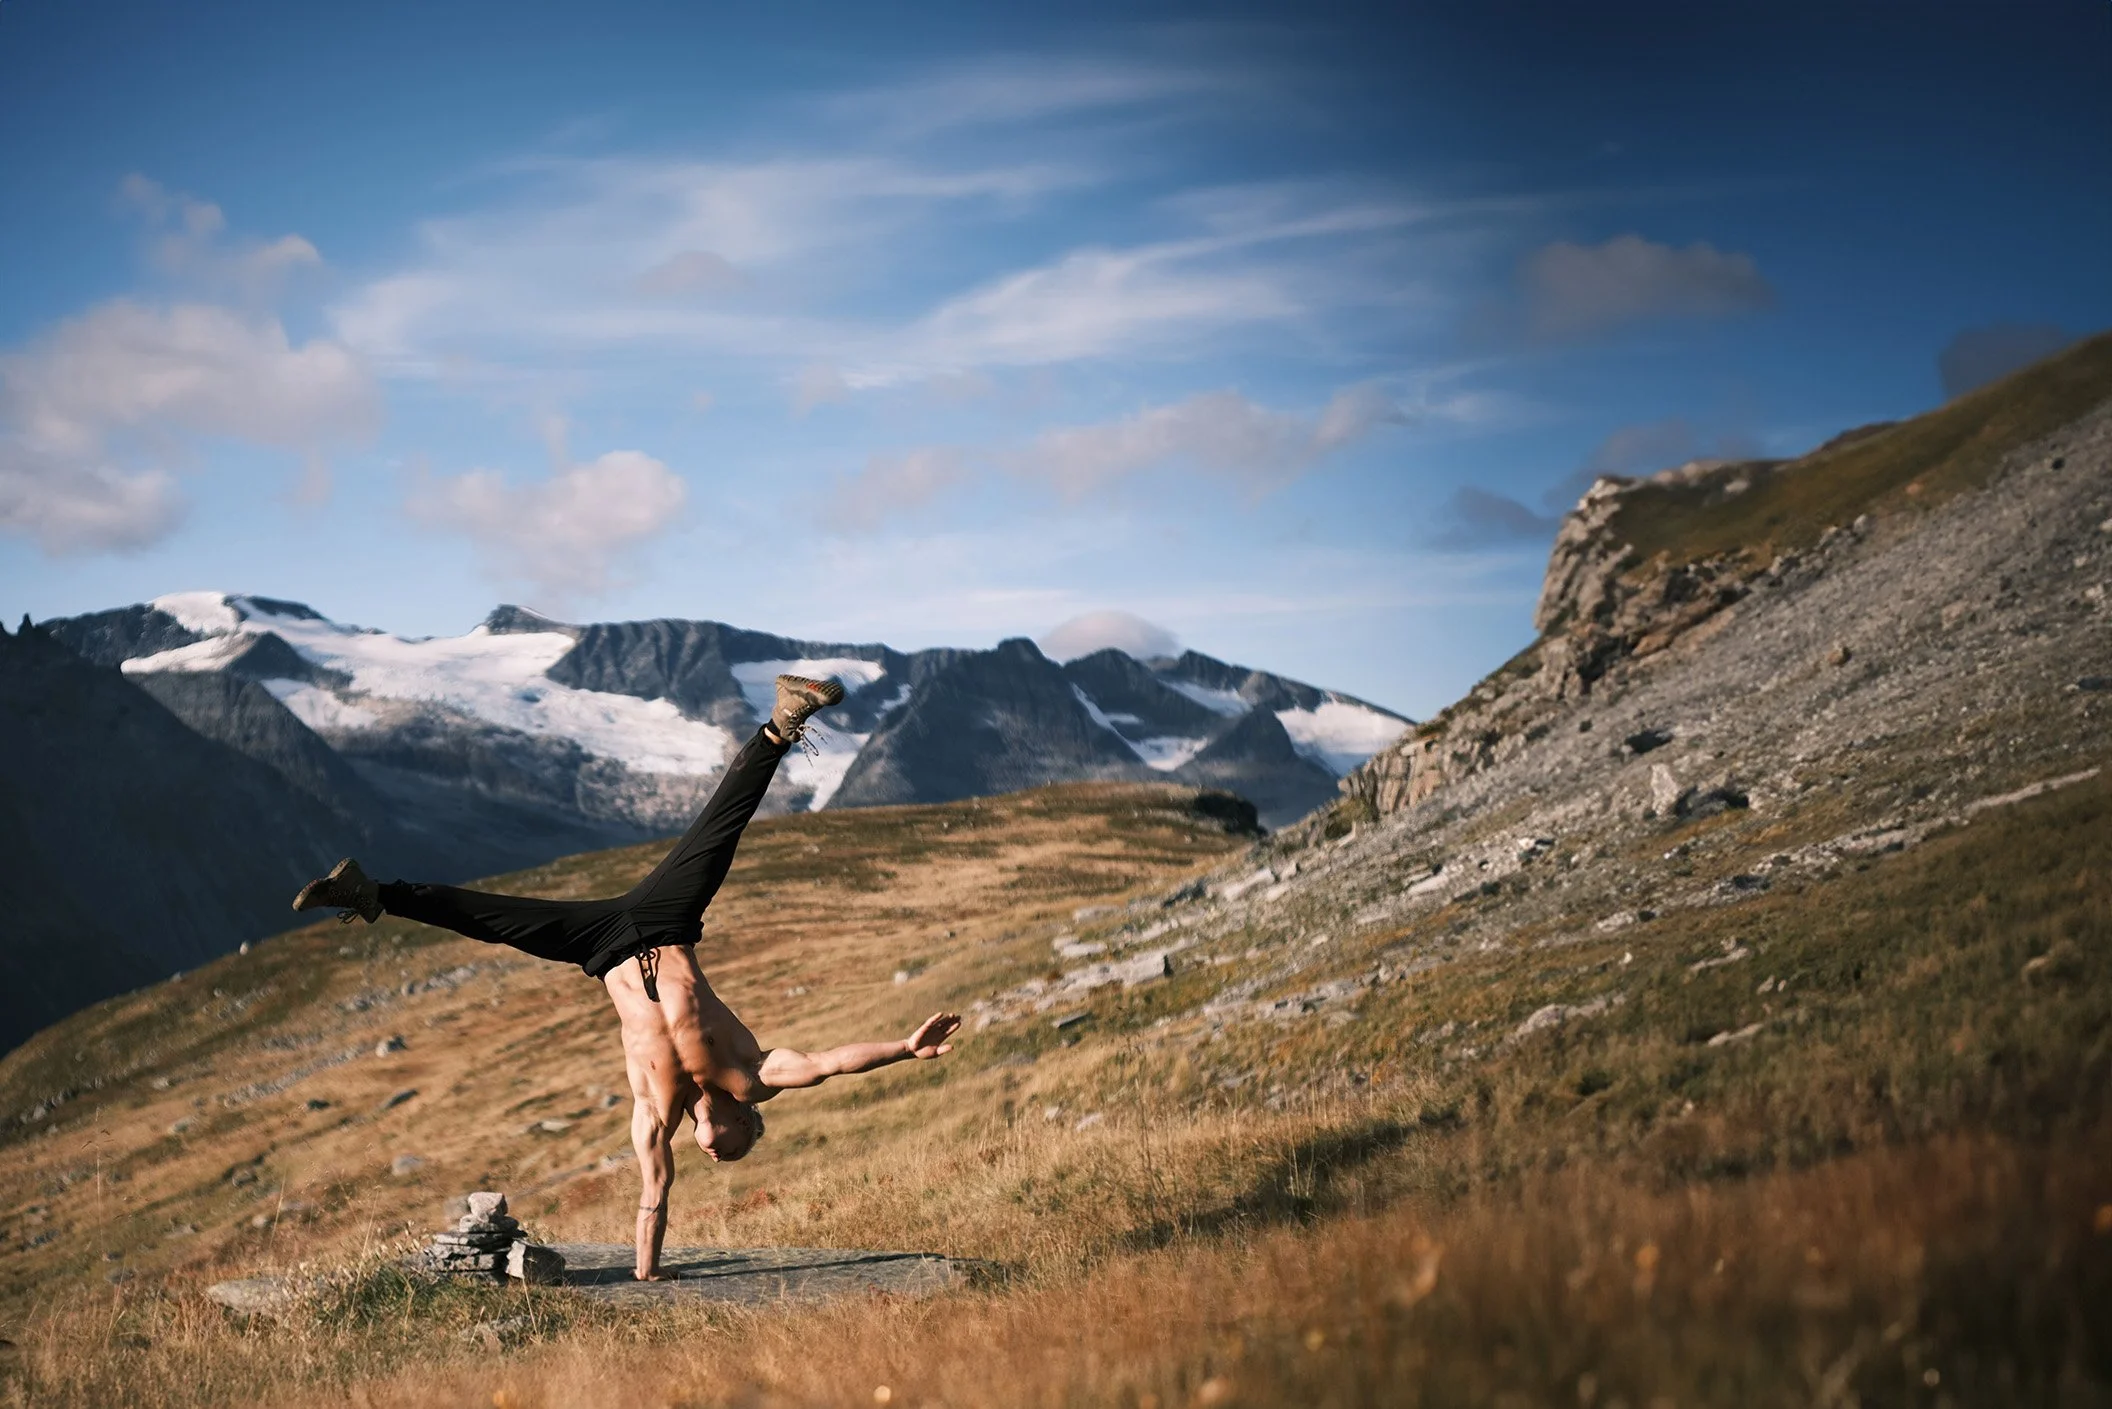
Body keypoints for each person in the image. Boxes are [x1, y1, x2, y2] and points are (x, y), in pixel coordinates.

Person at [291, 674, 962, 1282]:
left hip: (603, 947)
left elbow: (653, 1196)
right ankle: (784, 720)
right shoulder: (752, 1076)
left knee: (487, 917)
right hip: (666, 922)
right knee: (717, 829)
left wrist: (647, 1272)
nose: (720, 1159)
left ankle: (367, 892)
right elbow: (828, 1063)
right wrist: (905, 1048)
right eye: (734, 1152)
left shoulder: (655, 1115)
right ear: (746, 1123)